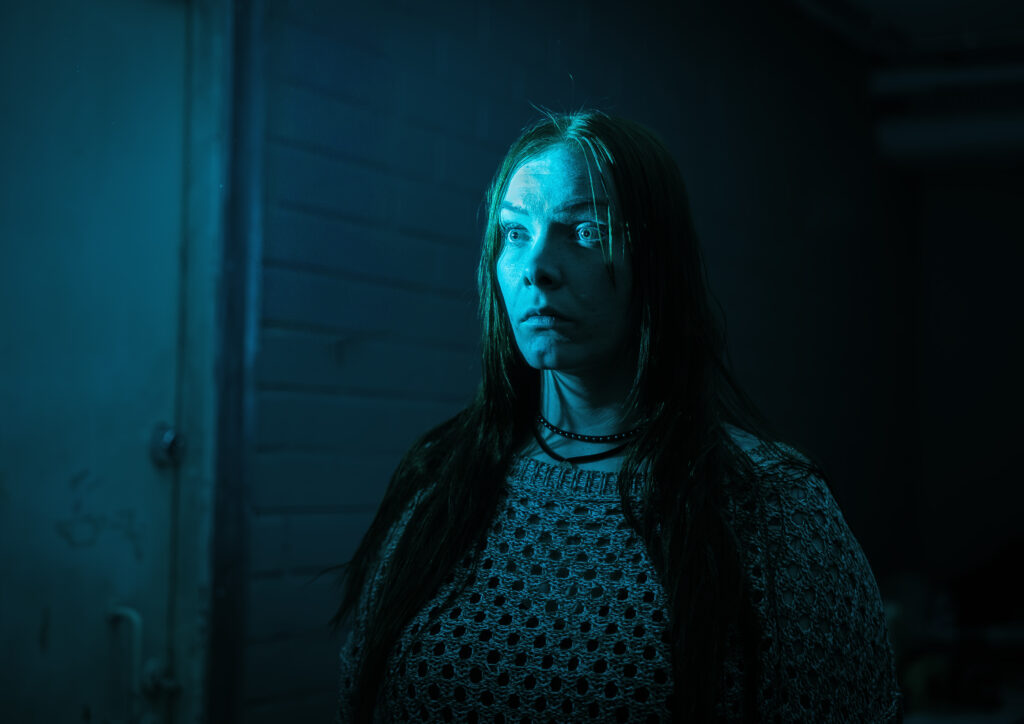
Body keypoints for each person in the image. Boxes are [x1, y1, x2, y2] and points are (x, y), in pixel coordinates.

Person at [330, 109, 903, 723]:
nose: (536, 268)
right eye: (515, 232)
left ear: (655, 261)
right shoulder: (440, 484)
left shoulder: (770, 507)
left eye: (585, 231)